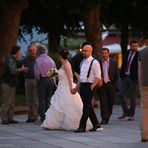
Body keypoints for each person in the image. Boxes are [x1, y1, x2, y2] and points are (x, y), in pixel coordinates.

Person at [41, 48, 92, 130]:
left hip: (66, 87)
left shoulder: (67, 64)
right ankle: (56, 123)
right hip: (61, 86)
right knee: (59, 105)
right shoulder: (64, 63)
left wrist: (71, 87)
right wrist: (55, 73)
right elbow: (63, 75)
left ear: (60, 56)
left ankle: (72, 123)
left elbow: (70, 77)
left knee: (67, 105)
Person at [71, 42, 102, 133]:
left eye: (85, 51)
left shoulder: (94, 62)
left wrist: (92, 87)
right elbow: (81, 78)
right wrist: (76, 88)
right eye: (83, 51)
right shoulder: (82, 62)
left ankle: (82, 127)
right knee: (88, 106)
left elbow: (98, 77)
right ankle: (96, 124)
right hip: (83, 85)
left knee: (86, 107)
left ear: (90, 51)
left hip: (90, 85)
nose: (83, 52)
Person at [0, 45, 27, 124]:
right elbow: (13, 71)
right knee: (7, 102)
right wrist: (21, 70)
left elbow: (18, 65)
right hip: (7, 84)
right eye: (20, 51)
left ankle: (10, 118)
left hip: (11, 84)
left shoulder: (14, 59)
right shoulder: (10, 60)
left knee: (11, 102)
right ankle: (4, 119)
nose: (20, 53)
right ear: (16, 52)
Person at [118, 40, 139, 121]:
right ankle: (126, 112)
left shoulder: (139, 55)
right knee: (120, 94)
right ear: (130, 46)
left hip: (133, 78)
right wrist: (121, 75)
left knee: (132, 96)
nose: (135, 48)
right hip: (125, 77)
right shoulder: (126, 53)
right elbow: (123, 64)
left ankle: (131, 114)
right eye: (133, 46)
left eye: (136, 46)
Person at [34, 44, 56, 122]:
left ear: (39, 51)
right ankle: (48, 115)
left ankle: (43, 116)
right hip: (50, 80)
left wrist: (38, 81)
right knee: (48, 99)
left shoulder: (38, 60)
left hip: (42, 80)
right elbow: (54, 72)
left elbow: (37, 74)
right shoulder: (50, 59)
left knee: (41, 99)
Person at [98, 48, 119, 124]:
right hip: (102, 85)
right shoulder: (98, 62)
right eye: (103, 53)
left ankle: (108, 116)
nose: (104, 55)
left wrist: (116, 86)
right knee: (103, 102)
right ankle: (104, 118)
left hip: (111, 84)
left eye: (105, 53)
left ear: (108, 54)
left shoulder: (114, 62)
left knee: (110, 102)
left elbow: (117, 75)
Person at [23, 44, 38, 123]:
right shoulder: (25, 59)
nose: (32, 52)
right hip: (28, 80)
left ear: (35, 50)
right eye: (30, 51)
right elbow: (23, 69)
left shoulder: (38, 59)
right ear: (28, 51)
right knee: (29, 99)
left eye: (33, 50)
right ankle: (30, 116)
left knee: (35, 100)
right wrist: (24, 71)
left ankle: (35, 116)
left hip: (36, 80)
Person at [138, 46, 148, 142]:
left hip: (145, 85)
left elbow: (139, 70)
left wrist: (140, 85)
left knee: (145, 109)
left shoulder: (142, 52)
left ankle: (144, 134)